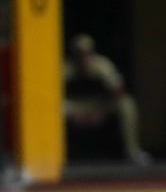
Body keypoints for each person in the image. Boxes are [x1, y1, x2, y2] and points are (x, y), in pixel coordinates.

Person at [64, 34, 152, 166]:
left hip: (99, 106)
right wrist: (77, 114)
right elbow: (51, 97)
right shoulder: (65, 68)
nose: (83, 57)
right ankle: (55, 155)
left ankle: (132, 151)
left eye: (87, 53)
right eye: (79, 53)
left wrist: (102, 111)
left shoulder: (102, 65)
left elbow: (119, 92)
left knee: (126, 104)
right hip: (76, 107)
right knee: (57, 109)